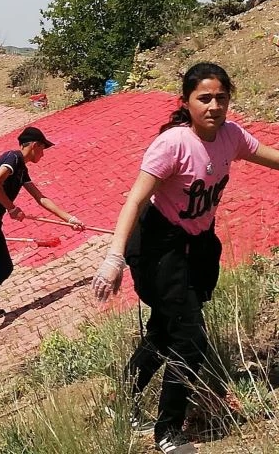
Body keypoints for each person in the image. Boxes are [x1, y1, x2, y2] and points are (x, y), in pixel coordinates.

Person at [92, 62, 279, 454]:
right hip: (160, 246)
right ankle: (167, 432)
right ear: (187, 102)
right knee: (190, 339)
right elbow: (136, 199)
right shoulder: (173, 144)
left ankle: (120, 401)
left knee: (164, 331)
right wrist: (114, 258)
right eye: (204, 98)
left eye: (221, 98)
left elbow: (269, 155)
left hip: (197, 244)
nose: (214, 105)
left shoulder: (231, 137)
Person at [0, 126, 84, 350]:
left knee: (4, 267)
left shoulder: (22, 170)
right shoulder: (12, 158)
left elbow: (41, 199)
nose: (43, 154)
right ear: (35, 145)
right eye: (43, 149)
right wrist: (11, 208)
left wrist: (69, 219)